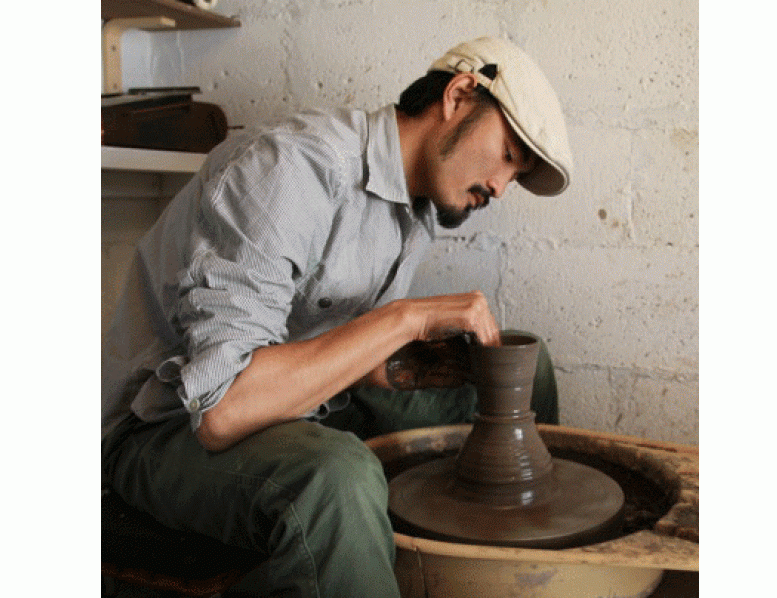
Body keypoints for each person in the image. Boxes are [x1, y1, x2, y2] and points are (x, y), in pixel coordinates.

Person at [101, 37, 573, 597]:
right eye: (508, 155)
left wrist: (432, 356)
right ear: (459, 94)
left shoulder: (417, 203)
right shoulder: (290, 170)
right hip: (167, 428)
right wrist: (404, 320)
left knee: (523, 369)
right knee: (339, 478)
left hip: (305, 401)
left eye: (515, 177)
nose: (499, 187)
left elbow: (340, 356)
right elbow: (223, 409)